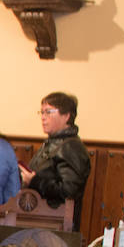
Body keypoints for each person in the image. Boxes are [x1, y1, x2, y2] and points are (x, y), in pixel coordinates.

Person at [21, 90, 90, 230]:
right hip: (42, 222)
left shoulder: (71, 147)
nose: (43, 117)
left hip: (57, 226)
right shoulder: (53, 143)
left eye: (48, 112)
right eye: (41, 112)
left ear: (66, 116)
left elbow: (69, 191)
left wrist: (34, 181)